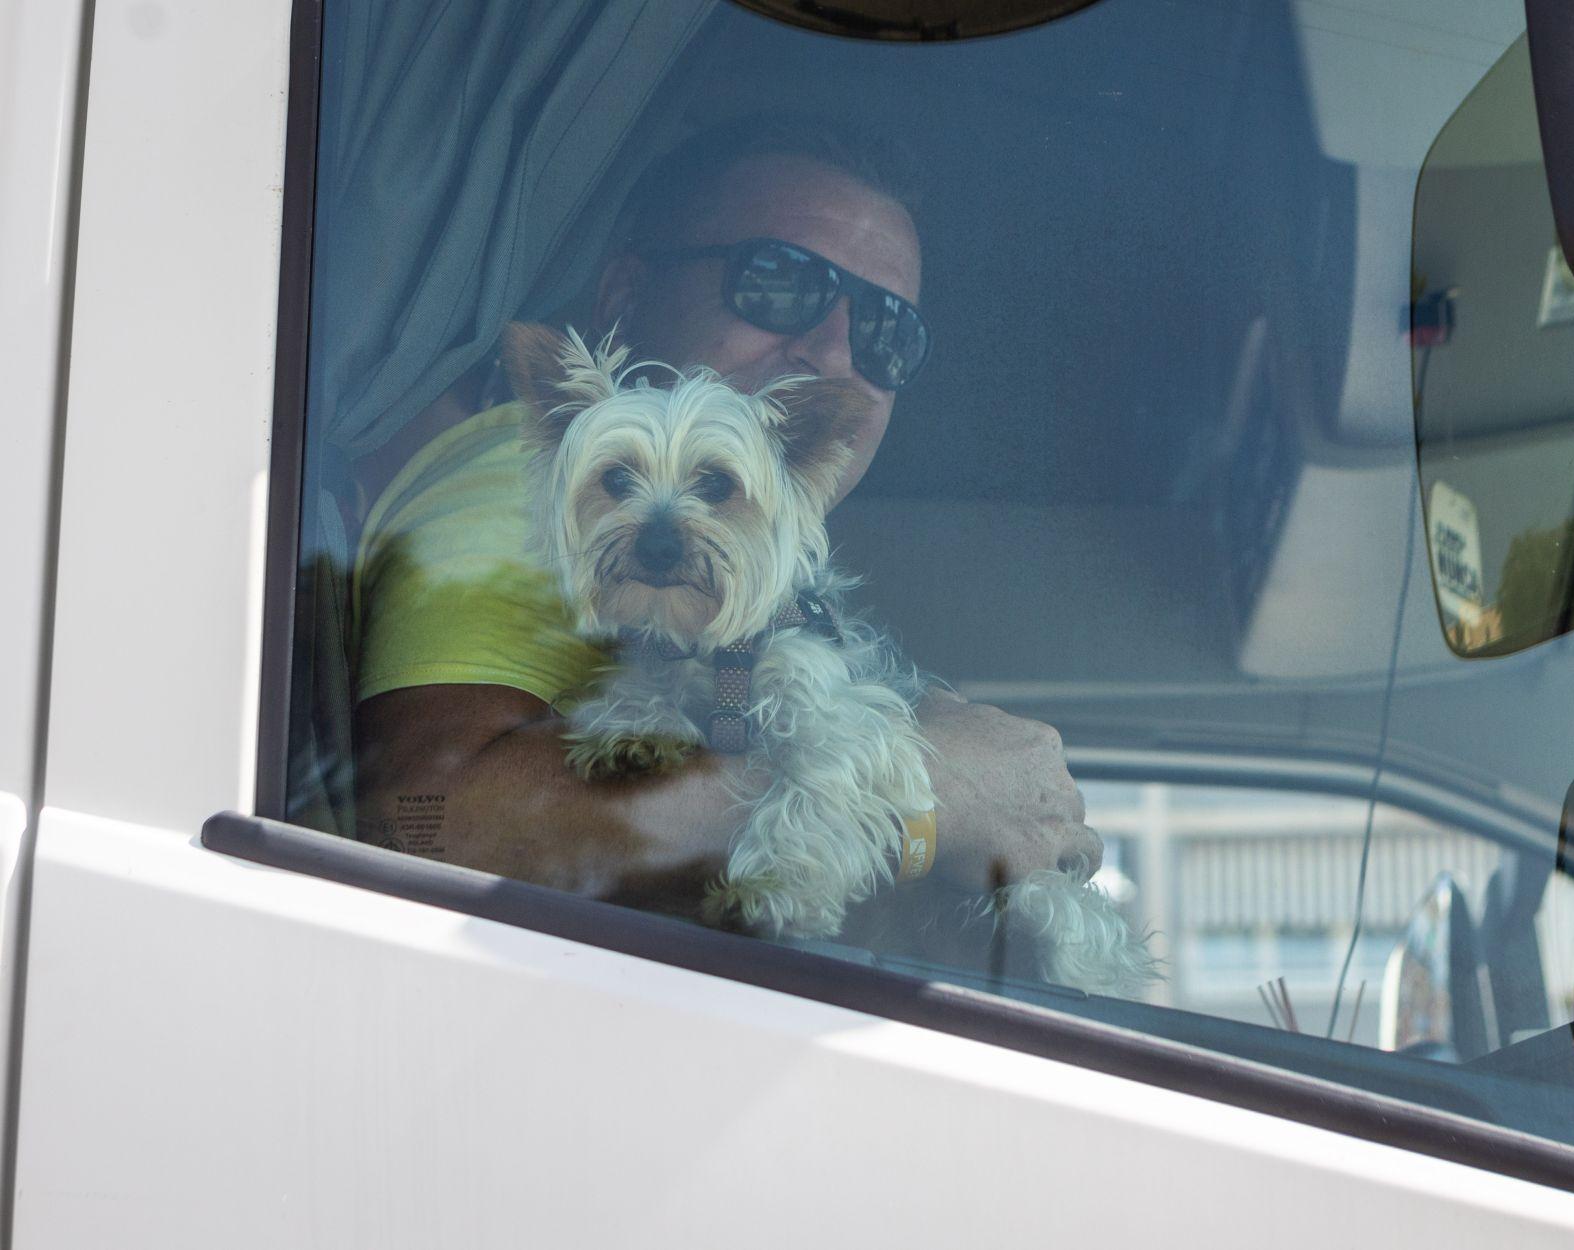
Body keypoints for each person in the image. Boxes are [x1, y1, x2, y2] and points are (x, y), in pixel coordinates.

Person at [351, 117, 1103, 922]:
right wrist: (928, 795)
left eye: (888, 333)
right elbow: (417, 823)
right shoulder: (543, 481)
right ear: (627, 294)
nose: (837, 352)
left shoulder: (762, 600)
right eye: (781, 284)